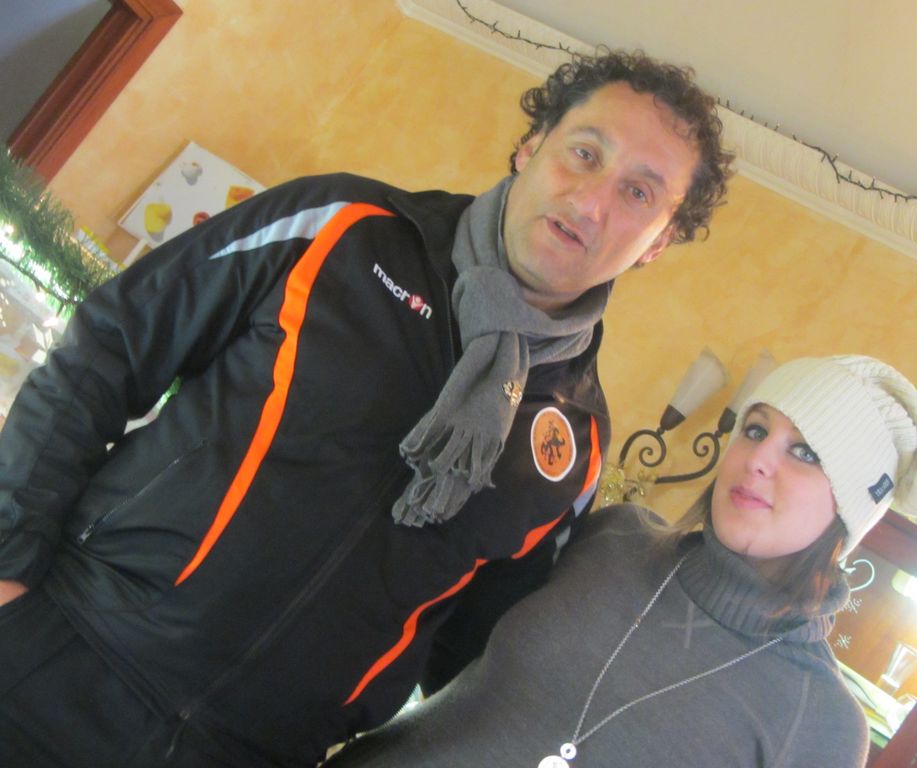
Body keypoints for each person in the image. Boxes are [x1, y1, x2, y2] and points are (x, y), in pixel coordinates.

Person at [0, 49, 732, 767]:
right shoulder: (342, 227)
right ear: (531, 145)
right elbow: (109, 350)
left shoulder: (575, 445)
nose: (592, 202)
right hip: (56, 651)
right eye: (584, 154)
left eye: (639, 194)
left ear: (658, 243)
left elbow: (474, 663)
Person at [326, 354, 917, 767]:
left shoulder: (820, 721)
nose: (758, 458)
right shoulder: (613, 536)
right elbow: (456, 645)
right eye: (755, 430)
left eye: (806, 453)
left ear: (851, 511)